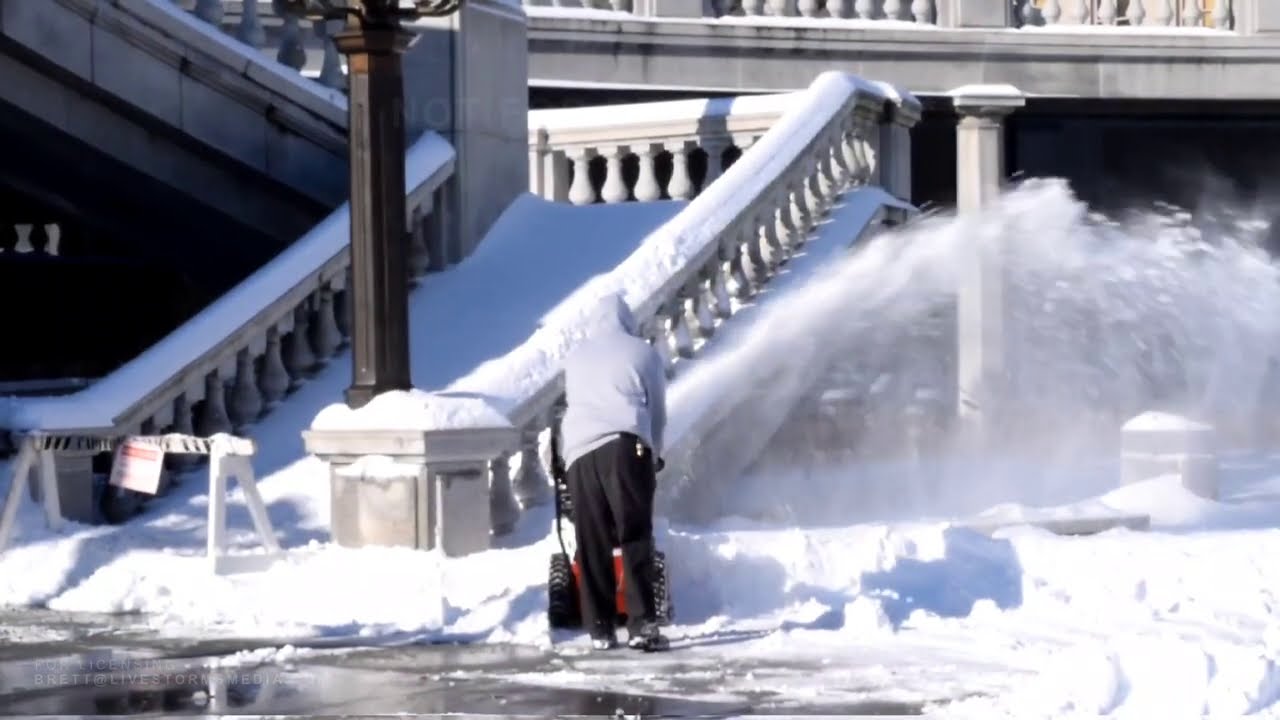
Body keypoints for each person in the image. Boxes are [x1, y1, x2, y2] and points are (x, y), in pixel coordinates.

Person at [554, 292, 669, 651]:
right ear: (627, 321)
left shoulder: (576, 358)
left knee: (592, 540)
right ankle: (641, 626)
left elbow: (571, 405)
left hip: (579, 453)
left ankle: (600, 628)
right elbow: (658, 410)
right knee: (634, 534)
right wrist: (655, 452)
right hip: (624, 447)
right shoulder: (642, 352)